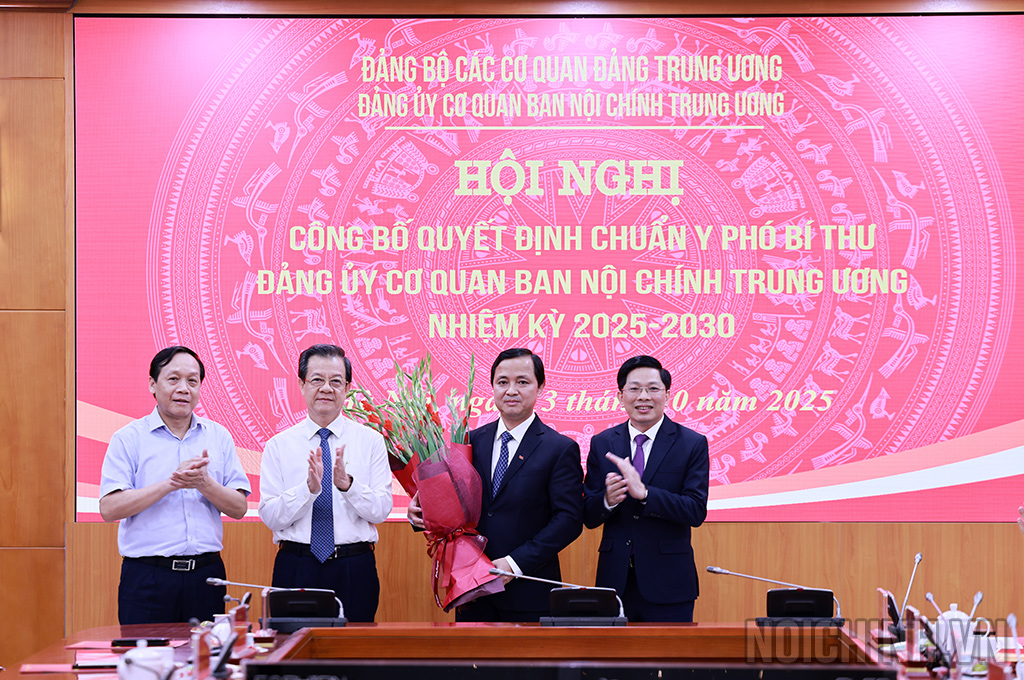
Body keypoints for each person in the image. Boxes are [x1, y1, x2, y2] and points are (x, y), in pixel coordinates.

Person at [409, 348, 584, 622]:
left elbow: (569, 520)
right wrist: (421, 513)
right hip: (472, 591)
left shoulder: (560, 448)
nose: (511, 390)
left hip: (529, 592)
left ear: (540, 387)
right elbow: (452, 506)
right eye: (503, 382)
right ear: (492, 387)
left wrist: (513, 564)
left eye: (522, 382)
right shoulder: (468, 441)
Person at [99, 346, 251, 624]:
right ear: (152, 384)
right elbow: (109, 509)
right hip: (148, 577)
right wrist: (171, 483)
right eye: (173, 379)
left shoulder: (218, 436)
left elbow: (239, 508)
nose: (183, 388)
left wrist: (204, 483)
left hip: (206, 577)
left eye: (192, 381)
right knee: (146, 652)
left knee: (207, 651)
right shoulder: (128, 438)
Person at [258, 344, 392, 622]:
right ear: (302, 384)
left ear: (347, 388)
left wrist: (348, 485)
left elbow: (380, 511)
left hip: (354, 566)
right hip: (297, 565)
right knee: (294, 645)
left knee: (354, 644)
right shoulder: (278, 445)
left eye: (336, 381)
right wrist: (307, 490)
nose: (326, 389)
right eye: (317, 379)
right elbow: (271, 517)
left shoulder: (371, 441)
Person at [583, 355, 710, 622]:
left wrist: (646, 494)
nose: (644, 396)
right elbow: (589, 515)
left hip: (669, 582)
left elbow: (695, 511)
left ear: (667, 395)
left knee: (671, 650)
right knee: (614, 650)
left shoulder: (691, 443)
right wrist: (607, 500)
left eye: (653, 388)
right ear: (621, 396)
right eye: (634, 389)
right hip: (614, 582)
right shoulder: (602, 443)